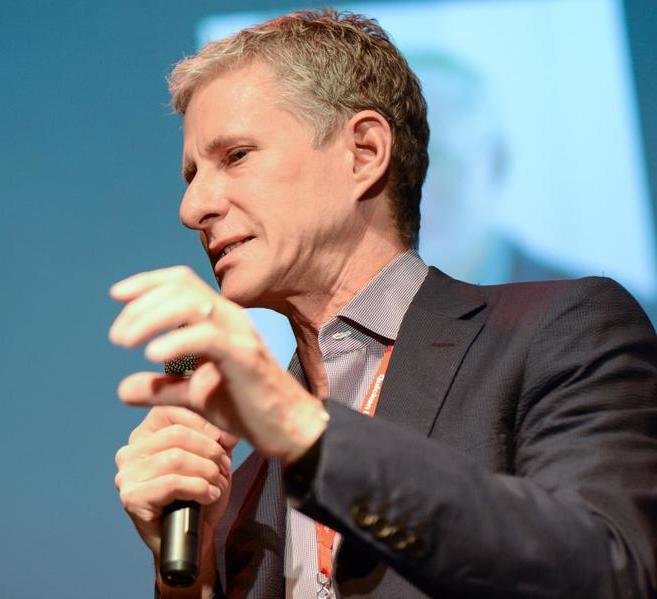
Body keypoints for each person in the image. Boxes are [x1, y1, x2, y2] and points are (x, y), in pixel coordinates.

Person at [109, 9, 657, 598]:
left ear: (365, 151)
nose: (192, 209)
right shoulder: (235, 495)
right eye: (192, 175)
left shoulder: (560, 331)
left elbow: (609, 570)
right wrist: (189, 584)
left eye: (236, 155)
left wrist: (304, 432)